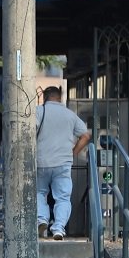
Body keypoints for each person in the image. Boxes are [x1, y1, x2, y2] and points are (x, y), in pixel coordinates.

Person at [35, 86, 89, 240]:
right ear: (59, 98)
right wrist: (73, 152)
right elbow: (85, 135)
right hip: (63, 163)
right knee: (63, 197)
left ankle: (42, 220)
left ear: (45, 97)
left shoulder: (39, 111)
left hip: (42, 162)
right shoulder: (70, 115)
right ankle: (59, 228)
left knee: (40, 193)